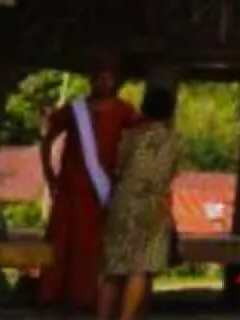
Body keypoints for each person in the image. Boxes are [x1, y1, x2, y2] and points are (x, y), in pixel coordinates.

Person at [40, 62, 140, 309]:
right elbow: (48, 139)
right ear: (91, 81)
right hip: (69, 189)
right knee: (61, 242)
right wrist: (49, 175)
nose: (104, 84)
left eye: (109, 79)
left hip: (101, 192)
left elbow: (139, 142)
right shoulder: (75, 110)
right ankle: (51, 294)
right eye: (100, 79)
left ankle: (85, 297)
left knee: (92, 247)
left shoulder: (124, 111)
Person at [99, 85, 181, 320]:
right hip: (155, 205)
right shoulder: (174, 142)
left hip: (123, 201)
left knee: (113, 267)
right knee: (140, 268)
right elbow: (171, 175)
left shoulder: (129, 137)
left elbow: (117, 167)